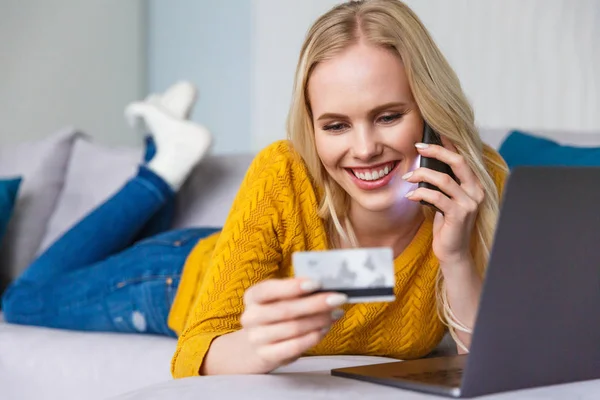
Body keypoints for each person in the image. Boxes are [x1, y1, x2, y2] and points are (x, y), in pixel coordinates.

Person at [2, 0, 508, 379]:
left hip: (237, 244)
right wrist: (262, 348)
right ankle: (159, 173)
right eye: (335, 126)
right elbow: (193, 351)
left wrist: (456, 256)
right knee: (21, 300)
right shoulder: (282, 174)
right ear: (311, 127)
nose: (365, 148)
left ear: (429, 109)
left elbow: (485, 365)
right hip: (173, 277)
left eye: (389, 116)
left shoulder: (479, 182)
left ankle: (164, 158)